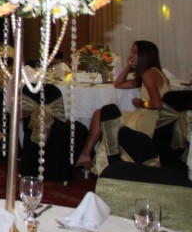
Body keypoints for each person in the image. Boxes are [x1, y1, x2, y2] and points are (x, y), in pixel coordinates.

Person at [73, 40, 171, 170]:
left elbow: (157, 104)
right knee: (99, 113)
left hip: (147, 120)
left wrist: (141, 103)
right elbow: (118, 84)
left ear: (145, 55)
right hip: (146, 116)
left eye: (135, 52)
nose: (131, 55)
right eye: (131, 52)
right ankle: (86, 154)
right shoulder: (151, 72)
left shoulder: (149, 74)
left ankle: (86, 155)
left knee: (103, 115)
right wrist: (128, 66)